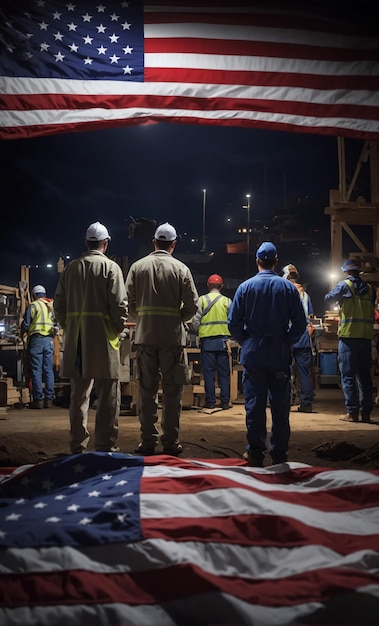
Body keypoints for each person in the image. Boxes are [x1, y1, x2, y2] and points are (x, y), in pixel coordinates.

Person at [228, 242, 307, 467]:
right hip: (279, 353)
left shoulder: (245, 287)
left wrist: (248, 341)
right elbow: (300, 323)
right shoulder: (288, 288)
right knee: (281, 406)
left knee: (254, 404)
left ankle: (255, 453)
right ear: (276, 261)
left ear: (257, 261)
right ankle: (279, 454)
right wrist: (286, 341)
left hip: (254, 353)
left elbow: (233, 323)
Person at [54, 221, 128, 453]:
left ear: (87, 243)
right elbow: (120, 305)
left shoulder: (71, 268)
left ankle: (78, 445)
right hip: (105, 341)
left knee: (79, 396)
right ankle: (105, 445)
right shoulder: (111, 268)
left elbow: (59, 305)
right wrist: (117, 329)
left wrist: (70, 326)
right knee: (108, 396)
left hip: (77, 341)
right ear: (105, 243)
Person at [125, 222, 199, 456]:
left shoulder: (138, 267)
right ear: (173, 244)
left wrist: (143, 318)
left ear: (154, 242)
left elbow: (127, 303)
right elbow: (192, 306)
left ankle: (148, 441)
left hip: (145, 337)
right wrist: (178, 319)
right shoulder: (181, 269)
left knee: (146, 391)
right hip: (173, 339)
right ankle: (170, 442)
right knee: (172, 392)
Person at [324, 259, 376, 423]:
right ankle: (366, 413)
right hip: (366, 338)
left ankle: (352, 412)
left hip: (348, 338)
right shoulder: (370, 289)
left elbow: (328, 298)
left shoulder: (344, 285)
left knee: (347, 376)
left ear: (345, 271)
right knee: (365, 377)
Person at [192, 274, 232, 409]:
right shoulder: (227, 301)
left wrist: (199, 331)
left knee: (208, 373)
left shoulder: (202, 300)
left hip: (207, 340)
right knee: (224, 373)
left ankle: (210, 402)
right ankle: (225, 402)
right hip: (223, 341)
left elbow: (196, 321)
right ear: (221, 286)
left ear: (208, 286)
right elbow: (232, 321)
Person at [282, 264, 315, 413]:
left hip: (287, 335)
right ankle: (306, 403)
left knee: (285, 370)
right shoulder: (305, 295)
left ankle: (285, 400)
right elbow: (310, 317)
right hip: (302, 336)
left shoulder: (283, 292)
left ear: (286, 276)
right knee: (304, 372)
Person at [21, 284, 56, 409]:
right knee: (48, 371)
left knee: (36, 371)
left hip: (36, 340)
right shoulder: (51, 306)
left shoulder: (33, 305)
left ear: (34, 295)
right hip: (49, 341)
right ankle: (49, 400)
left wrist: (21, 334)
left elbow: (26, 324)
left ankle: (38, 401)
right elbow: (57, 324)